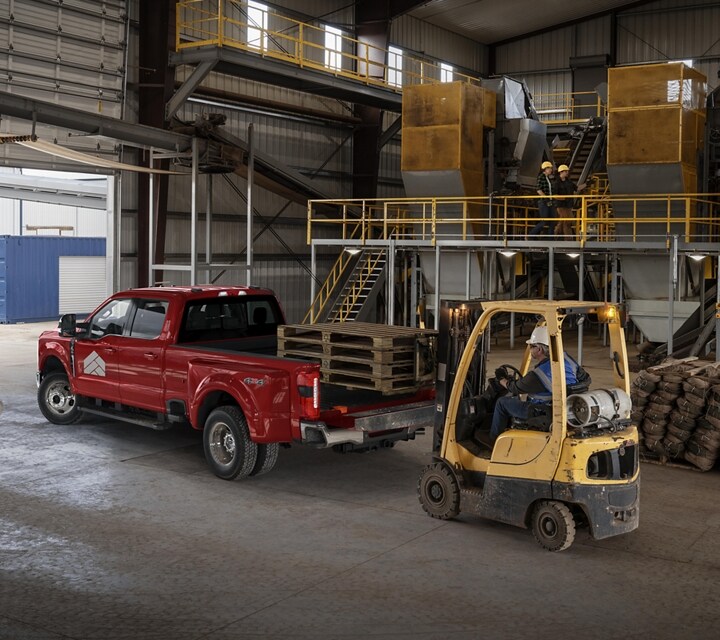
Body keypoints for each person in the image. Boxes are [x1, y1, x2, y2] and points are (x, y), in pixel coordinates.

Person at [489, 326, 587, 441]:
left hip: (543, 412)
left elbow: (514, 388)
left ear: (539, 349)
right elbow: (586, 379)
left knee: (502, 403)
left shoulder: (538, 374)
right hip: (568, 408)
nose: (530, 350)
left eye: (531, 347)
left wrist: (501, 378)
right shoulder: (567, 360)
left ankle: (493, 441)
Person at [553, 164, 584, 238]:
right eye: (566, 171)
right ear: (561, 172)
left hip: (568, 205)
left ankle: (555, 235)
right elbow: (554, 195)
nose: (567, 173)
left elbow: (577, 188)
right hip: (561, 205)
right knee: (568, 221)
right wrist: (564, 198)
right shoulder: (556, 183)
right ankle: (568, 238)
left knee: (563, 221)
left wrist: (586, 184)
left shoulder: (568, 182)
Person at [529, 161, 556, 236]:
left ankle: (550, 238)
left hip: (549, 201)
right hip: (544, 202)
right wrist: (546, 198)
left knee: (553, 220)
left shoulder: (548, 178)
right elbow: (538, 189)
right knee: (544, 221)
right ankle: (531, 235)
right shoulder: (541, 177)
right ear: (545, 169)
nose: (551, 169)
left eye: (551, 168)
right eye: (549, 168)